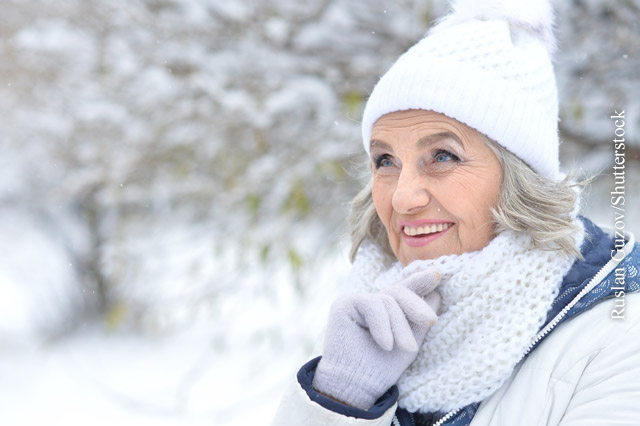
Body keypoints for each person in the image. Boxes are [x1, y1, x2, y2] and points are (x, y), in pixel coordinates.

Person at [272, 0, 640, 425]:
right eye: (385, 161)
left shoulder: (620, 335)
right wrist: (341, 401)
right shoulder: (368, 313)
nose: (402, 198)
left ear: (521, 177)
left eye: (443, 156)